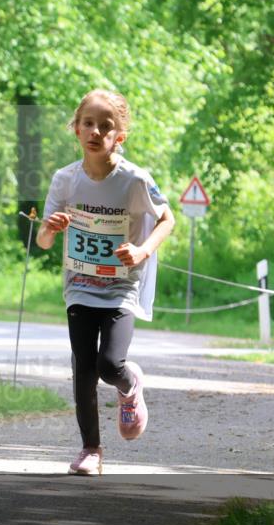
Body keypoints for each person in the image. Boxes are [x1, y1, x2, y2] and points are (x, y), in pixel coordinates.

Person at [36, 89, 175, 476]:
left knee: (109, 364)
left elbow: (168, 219)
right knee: (83, 367)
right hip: (79, 286)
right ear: (76, 130)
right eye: (88, 124)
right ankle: (91, 450)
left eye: (106, 126)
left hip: (120, 286)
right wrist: (50, 228)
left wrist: (143, 251)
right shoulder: (65, 180)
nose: (96, 131)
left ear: (120, 136)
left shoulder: (134, 180)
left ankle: (130, 385)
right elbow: (44, 241)